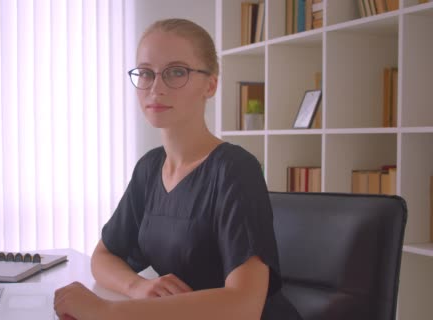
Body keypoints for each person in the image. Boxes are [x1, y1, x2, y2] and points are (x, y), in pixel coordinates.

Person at [54, 18, 303, 320]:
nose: (156, 88)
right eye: (146, 73)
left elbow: (245, 304)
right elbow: (104, 256)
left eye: (176, 72)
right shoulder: (149, 168)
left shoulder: (236, 170)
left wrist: (108, 312)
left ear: (210, 84)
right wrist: (137, 287)